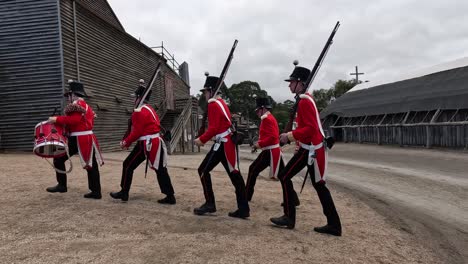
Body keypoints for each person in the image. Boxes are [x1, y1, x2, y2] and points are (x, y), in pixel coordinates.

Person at [270, 62, 342, 236]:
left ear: (300, 83)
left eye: (292, 81)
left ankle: (290, 217)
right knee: (313, 184)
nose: (289, 84)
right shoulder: (303, 100)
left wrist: (289, 136)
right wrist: (297, 143)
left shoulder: (304, 101)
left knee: (291, 178)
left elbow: (310, 128)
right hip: (307, 148)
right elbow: (305, 127)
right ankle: (332, 224)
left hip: (312, 149)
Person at [193, 73, 250, 219]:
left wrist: (202, 139)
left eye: (205, 91)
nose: (204, 94)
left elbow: (213, 128)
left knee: (203, 171)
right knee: (235, 176)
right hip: (225, 143)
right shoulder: (222, 103)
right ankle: (243, 209)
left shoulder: (213, 104)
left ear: (211, 91)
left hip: (223, 144)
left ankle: (210, 204)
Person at [110, 80, 176, 204]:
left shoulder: (139, 111)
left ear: (139, 98)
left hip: (146, 144)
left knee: (128, 165)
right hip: (154, 142)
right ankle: (170, 195)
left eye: (134, 97)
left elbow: (137, 132)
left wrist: (125, 142)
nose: (133, 100)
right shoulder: (149, 109)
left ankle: (124, 192)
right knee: (161, 169)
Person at [46, 80, 104, 199]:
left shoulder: (78, 105)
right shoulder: (85, 106)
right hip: (80, 137)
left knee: (89, 165)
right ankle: (63, 185)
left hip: (82, 138)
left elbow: (74, 121)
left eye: (69, 95)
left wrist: (56, 119)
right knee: (59, 158)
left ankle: (95, 192)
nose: (68, 98)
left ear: (74, 94)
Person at [246, 97, 300, 206]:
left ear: (263, 108)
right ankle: (293, 199)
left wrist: (258, 144)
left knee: (253, 170)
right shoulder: (268, 118)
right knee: (283, 175)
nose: (256, 112)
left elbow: (272, 137)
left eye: (257, 110)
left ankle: (246, 196)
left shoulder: (267, 119)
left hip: (269, 151)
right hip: (271, 150)